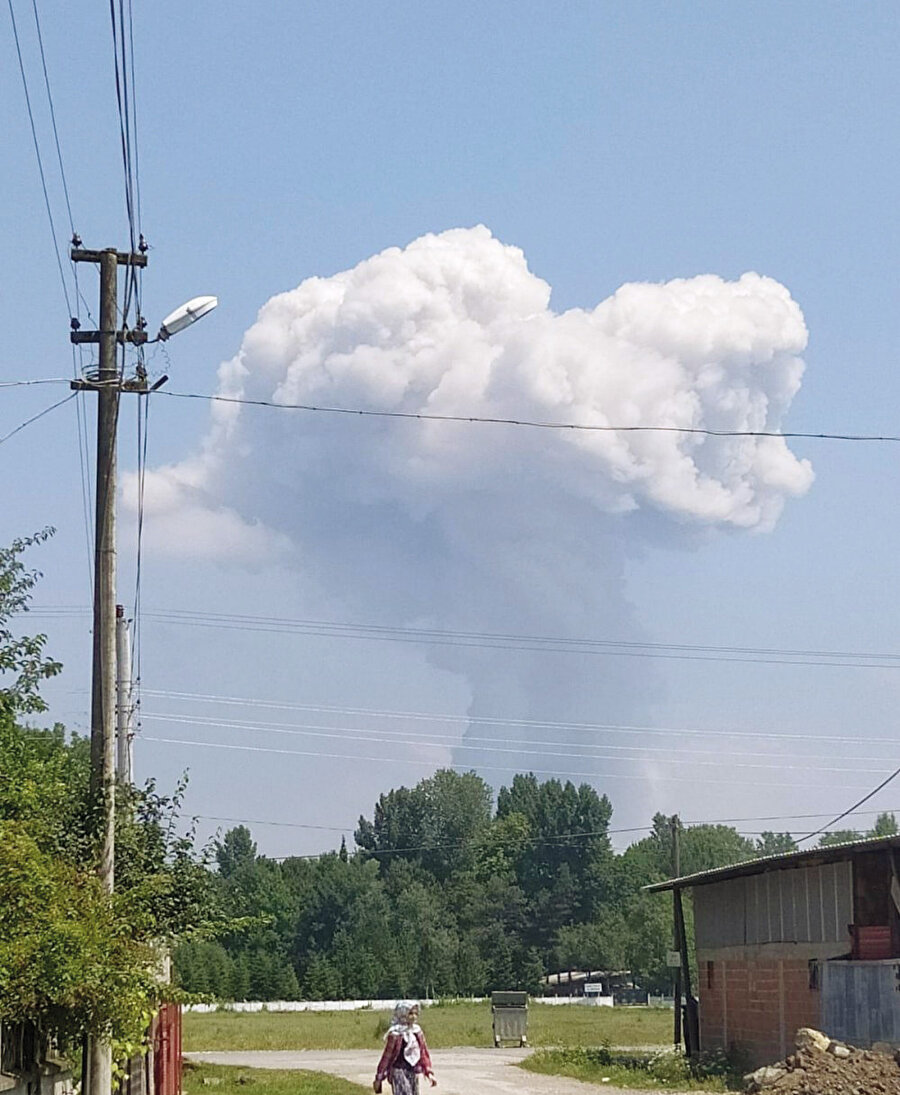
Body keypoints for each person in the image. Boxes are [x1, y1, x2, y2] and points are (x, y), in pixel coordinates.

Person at [374, 1001, 436, 1094]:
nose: (414, 1016)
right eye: (410, 1013)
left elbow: (423, 1053)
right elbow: (387, 1057)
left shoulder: (417, 1032)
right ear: (402, 1014)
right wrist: (379, 1077)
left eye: (416, 1013)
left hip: (412, 1071)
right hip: (398, 1071)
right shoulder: (395, 1034)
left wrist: (428, 1072)